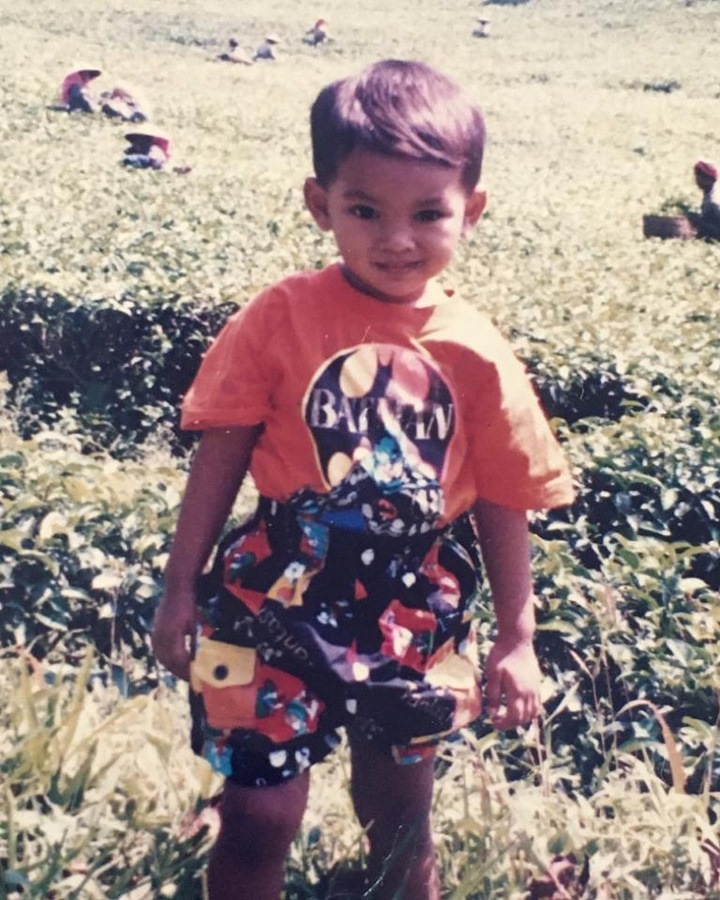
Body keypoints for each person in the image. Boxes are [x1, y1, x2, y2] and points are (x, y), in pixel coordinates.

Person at [152, 58, 575, 900]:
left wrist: (517, 637)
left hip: (412, 604)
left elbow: (504, 496)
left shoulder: (476, 352)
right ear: (321, 206)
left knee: (398, 815)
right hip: (272, 587)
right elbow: (221, 454)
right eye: (365, 210)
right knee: (258, 815)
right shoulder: (280, 315)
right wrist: (179, 587)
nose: (397, 239)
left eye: (429, 213)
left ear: (471, 212)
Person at [692, 160, 720, 240]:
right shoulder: (708, 195)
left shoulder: (713, 202)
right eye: (696, 173)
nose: (696, 178)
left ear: (709, 179)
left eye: (700, 174)